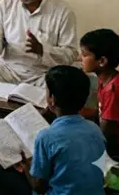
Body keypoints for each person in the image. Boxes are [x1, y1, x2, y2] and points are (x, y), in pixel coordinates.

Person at [21, 66, 106, 195]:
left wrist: (25, 165)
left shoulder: (46, 136)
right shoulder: (95, 130)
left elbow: (39, 187)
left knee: (1, 174)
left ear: (52, 99)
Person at [79, 29, 119, 164]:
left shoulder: (114, 90)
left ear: (102, 61)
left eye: (84, 55)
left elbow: (103, 135)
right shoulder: (106, 78)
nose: (79, 58)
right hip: (117, 134)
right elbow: (102, 113)